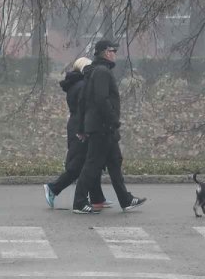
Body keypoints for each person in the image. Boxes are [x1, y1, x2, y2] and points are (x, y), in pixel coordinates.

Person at [72, 39, 147, 214]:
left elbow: (83, 100)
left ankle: (125, 200)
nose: (115, 53)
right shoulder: (102, 72)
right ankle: (79, 202)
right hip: (103, 127)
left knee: (114, 161)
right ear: (106, 52)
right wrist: (113, 119)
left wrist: (82, 128)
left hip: (101, 126)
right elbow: (101, 100)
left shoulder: (93, 72)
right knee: (92, 164)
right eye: (113, 50)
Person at [43, 57, 111, 210]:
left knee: (90, 162)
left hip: (77, 125)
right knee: (80, 164)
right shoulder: (82, 85)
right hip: (81, 128)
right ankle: (53, 188)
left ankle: (97, 198)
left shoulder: (76, 84)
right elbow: (85, 108)